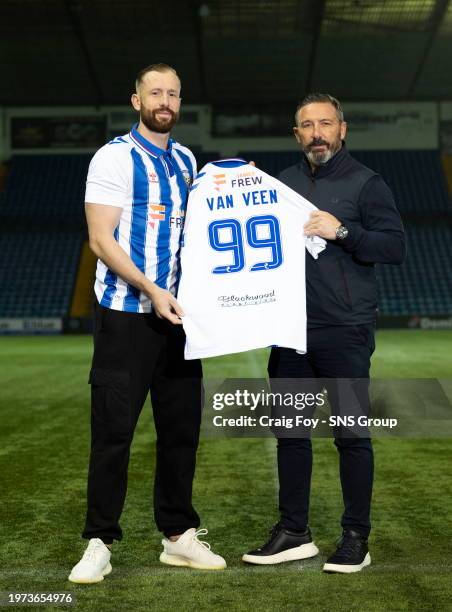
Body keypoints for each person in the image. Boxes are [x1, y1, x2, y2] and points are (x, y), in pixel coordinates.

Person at [68, 63, 226, 584]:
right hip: (126, 317)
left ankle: (178, 535)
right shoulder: (114, 157)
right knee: (113, 433)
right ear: (136, 100)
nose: (165, 101)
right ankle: (99, 541)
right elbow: (101, 239)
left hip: (179, 321)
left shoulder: (184, 160)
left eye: (173, 94)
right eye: (155, 92)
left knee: (180, 431)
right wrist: (153, 289)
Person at [242, 93, 406, 573]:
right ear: (297, 135)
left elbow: (394, 247)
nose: (317, 133)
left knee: (351, 436)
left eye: (326, 123)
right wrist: (242, 184)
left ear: (342, 129)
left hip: (345, 332)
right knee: (291, 434)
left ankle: (356, 535)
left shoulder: (367, 184)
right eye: (307, 125)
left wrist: (344, 233)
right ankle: (294, 531)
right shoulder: (282, 185)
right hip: (289, 331)